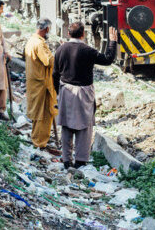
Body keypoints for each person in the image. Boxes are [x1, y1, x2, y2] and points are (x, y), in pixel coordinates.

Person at [53, 23, 117, 169]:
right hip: (84, 91)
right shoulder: (88, 50)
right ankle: (81, 161)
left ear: (68, 34)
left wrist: (58, 92)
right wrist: (112, 42)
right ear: (83, 34)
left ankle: (66, 160)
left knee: (66, 125)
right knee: (84, 125)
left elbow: (55, 74)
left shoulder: (60, 49)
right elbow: (107, 59)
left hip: (66, 90)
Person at [25, 19, 59, 151]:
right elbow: (50, 61)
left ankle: (37, 139)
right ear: (47, 29)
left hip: (35, 83)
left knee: (37, 113)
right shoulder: (39, 44)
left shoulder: (31, 41)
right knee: (43, 114)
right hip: (42, 85)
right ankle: (40, 143)